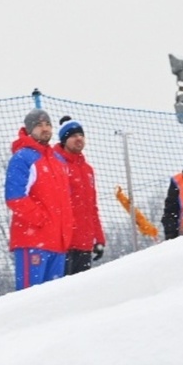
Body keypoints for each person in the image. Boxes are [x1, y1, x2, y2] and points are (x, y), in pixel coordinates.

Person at [4, 108, 73, 289]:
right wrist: (41, 219)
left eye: (48, 124)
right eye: (39, 125)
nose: (45, 128)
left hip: (58, 242)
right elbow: (15, 197)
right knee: (30, 297)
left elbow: (65, 200)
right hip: (33, 240)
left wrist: (65, 228)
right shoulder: (23, 158)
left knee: (54, 298)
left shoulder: (58, 160)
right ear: (29, 129)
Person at [54, 116, 106, 275]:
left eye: (81, 135)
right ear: (64, 140)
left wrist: (98, 238)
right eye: (73, 136)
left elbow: (92, 207)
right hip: (64, 243)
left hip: (84, 243)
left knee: (82, 287)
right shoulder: (56, 165)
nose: (79, 139)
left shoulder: (87, 170)